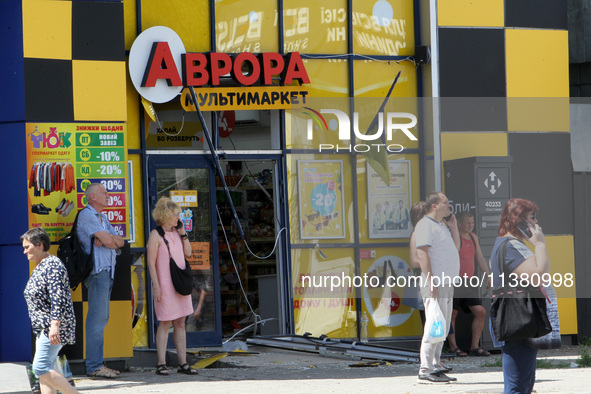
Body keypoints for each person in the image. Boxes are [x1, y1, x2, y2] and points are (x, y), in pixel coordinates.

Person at [489, 198, 549, 394]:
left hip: (516, 317)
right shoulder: (511, 246)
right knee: (517, 386)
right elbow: (540, 274)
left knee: (523, 384)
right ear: (519, 220)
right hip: (517, 317)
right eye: (532, 217)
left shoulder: (507, 243)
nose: (536, 223)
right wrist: (539, 244)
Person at [22, 227, 78, 394]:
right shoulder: (41, 266)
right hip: (44, 328)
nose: (24, 252)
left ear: (39, 245)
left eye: (27, 247)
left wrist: (54, 325)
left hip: (51, 327)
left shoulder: (52, 265)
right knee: (44, 375)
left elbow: (58, 298)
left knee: (40, 368)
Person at [77, 183, 125, 378]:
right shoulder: (87, 215)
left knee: (101, 318)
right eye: (104, 193)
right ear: (94, 196)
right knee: (97, 320)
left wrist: (110, 239)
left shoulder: (103, 218)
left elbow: (120, 242)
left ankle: (97, 365)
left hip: (107, 271)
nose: (108, 195)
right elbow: (109, 242)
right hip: (98, 273)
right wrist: (109, 240)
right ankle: (95, 367)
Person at [147, 197, 199, 376]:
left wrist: (183, 234)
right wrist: (156, 285)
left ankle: (182, 363)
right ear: (165, 215)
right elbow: (151, 263)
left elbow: (188, 253)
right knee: (165, 322)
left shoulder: (177, 233)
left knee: (180, 323)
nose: (178, 217)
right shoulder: (156, 235)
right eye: (175, 214)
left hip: (180, 285)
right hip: (165, 285)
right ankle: (161, 363)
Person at [414, 191, 460, 384]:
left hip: (446, 282)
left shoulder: (441, 224)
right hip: (435, 283)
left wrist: (454, 227)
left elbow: (456, 248)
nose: (449, 206)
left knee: (443, 324)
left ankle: (436, 364)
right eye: (445, 203)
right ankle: (425, 368)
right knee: (433, 324)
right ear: (434, 205)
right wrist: (431, 280)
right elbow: (422, 254)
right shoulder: (425, 224)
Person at [447, 211, 491, 357]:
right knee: (452, 314)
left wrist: (488, 276)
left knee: (480, 312)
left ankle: (474, 346)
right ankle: (454, 347)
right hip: (455, 281)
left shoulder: (473, 237)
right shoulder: (454, 237)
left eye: (472, 222)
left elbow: (479, 257)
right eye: (467, 222)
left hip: (469, 282)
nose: (471, 225)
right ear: (459, 223)